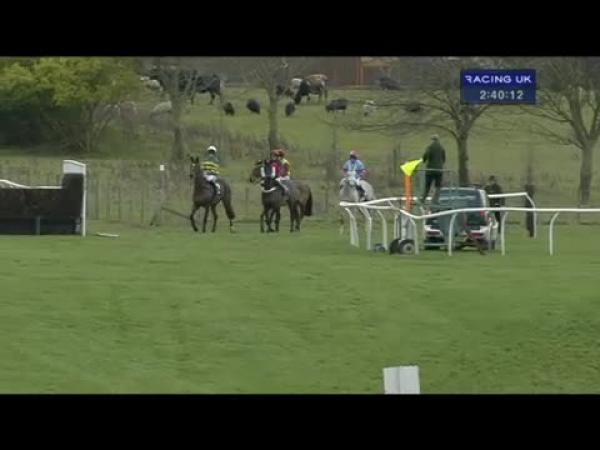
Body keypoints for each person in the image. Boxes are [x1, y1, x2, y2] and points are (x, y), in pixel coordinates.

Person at [420, 135, 446, 204]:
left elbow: (425, 156)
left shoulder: (430, 147)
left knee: (427, 185)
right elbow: (444, 159)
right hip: (439, 170)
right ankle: (435, 200)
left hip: (430, 170)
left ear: (432, 140)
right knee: (438, 186)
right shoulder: (441, 147)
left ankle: (423, 199)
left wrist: (423, 160)